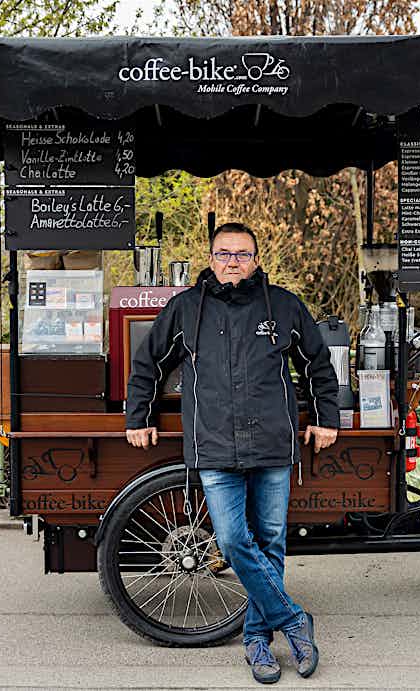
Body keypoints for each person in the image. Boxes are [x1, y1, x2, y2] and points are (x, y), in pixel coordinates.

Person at [125, 222, 340, 684]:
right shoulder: (185, 308)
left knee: (271, 544)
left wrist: (326, 416)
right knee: (231, 542)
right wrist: (137, 417)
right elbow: (148, 364)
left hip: (272, 445)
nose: (232, 262)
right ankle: (294, 620)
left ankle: (258, 643)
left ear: (256, 259)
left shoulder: (283, 306)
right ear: (210, 257)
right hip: (215, 445)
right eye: (224, 254)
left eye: (242, 254)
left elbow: (318, 365)